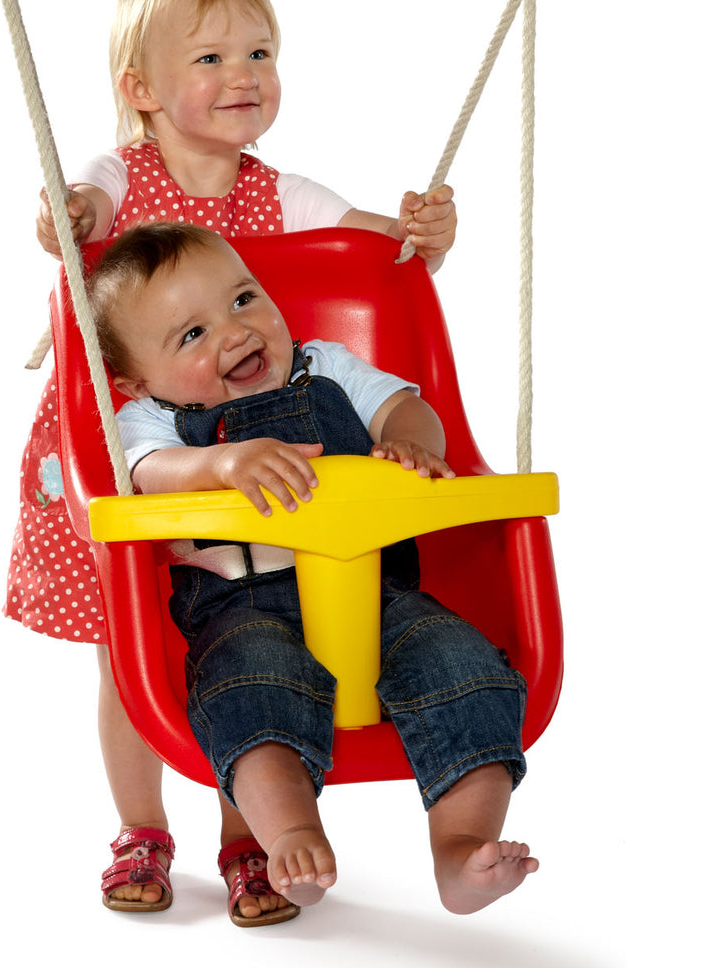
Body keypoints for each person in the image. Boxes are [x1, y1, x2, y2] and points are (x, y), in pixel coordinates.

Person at [7, 0, 458, 923]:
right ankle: (142, 828)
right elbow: (74, 210)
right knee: (132, 653)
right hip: (131, 455)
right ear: (141, 91)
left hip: (257, 453)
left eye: (260, 52)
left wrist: (426, 232)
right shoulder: (117, 178)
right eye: (210, 56)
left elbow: (384, 257)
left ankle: (247, 841)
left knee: (252, 635)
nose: (244, 73)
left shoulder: (285, 194)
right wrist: (68, 216)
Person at [87, 223, 538, 918]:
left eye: (242, 299)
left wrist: (408, 444)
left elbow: (408, 407)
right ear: (136, 378)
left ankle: (461, 847)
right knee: (249, 693)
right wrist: (222, 463)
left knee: (466, 667)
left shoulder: (325, 366)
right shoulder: (150, 420)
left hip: (381, 597)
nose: (234, 333)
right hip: (244, 611)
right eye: (191, 335)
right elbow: (148, 476)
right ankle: (291, 833)